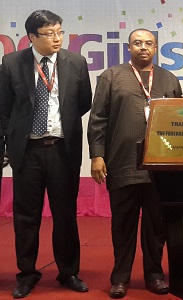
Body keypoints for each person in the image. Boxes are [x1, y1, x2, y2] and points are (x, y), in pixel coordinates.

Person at [0, 10, 92, 299]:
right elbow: (4, 108)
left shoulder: (75, 62)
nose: (57, 38)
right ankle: (27, 273)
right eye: (50, 33)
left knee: (65, 214)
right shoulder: (11, 62)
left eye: (60, 32)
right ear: (31, 37)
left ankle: (69, 272)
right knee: (26, 216)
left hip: (62, 151)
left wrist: (57, 124)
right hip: (27, 151)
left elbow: (83, 102)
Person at [87, 28, 182, 299]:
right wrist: (97, 155)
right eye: (137, 43)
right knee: (123, 226)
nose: (143, 47)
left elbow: (179, 119)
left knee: (156, 227)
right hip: (122, 162)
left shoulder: (168, 78)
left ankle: (154, 275)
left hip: (160, 167)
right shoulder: (112, 77)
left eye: (148, 43)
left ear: (156, 48)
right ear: (129, 47)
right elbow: (98, 119)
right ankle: (120, 278)